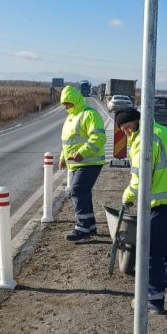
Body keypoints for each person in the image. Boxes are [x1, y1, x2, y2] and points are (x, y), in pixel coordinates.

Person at [114, 107, 167, 314]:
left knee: (151, 253)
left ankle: (154, 300)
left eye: (127, 128)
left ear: (137, 121)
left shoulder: (144, 141)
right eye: (122, 130)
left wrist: (127, 198)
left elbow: (139, 180)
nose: (125, 133)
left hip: (160, 207)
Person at [59, 84, 106, 242]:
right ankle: (90, 226)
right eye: (64, 104)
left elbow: (98, 138)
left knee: (77, 190)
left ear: (76, 100)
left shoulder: (89, 114)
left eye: (68, 103)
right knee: (83, 193)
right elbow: (68, 142)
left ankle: (82, 228)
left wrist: (82, 153)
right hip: (76, 163)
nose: (66, 106)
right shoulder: (70, 117)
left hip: (90, 162)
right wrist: (63, 159)